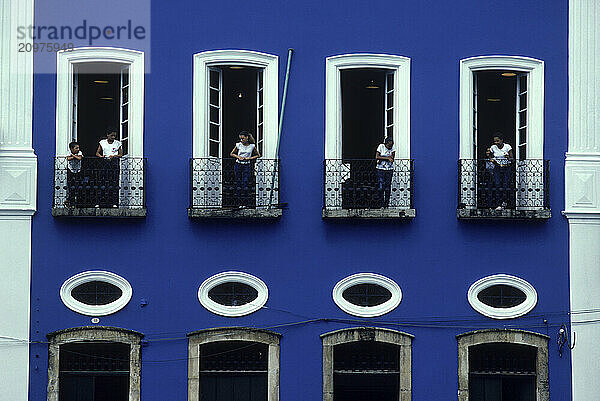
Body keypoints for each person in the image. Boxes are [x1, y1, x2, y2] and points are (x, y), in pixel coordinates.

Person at [230, 131, 260, 208]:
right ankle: (239, 203)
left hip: (247, 165)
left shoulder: (252, 146)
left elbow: (258, 155)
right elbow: (231, 153)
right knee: (238, 182)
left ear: (247, 138)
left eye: (243, 138)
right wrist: (238, 157)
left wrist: (249, 158)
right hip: (238, 165)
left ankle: (245, 203)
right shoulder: (238, 145)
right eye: (240, 138)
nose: (241, 140)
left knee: (245, 182)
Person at [95, 128, 123, 207]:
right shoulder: (102, 142)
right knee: (102, 181)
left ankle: (114, 202)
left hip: (114, 163)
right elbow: (97, 153)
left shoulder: (118, 143)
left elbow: (121, 154)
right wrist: (101, 156)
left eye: (114, 135)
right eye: (112, 135)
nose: (113, 137)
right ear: (107, 135)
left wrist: (114, 156)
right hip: (104, 163)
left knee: (113, 181)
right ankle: (99, 202)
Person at [489, 133, 514, 209]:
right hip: (497, 167)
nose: (496, 143)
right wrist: (492, 159)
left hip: (507, 168)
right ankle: (498, 203)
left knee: (505, 185)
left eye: (498, 141)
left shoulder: (507, 146)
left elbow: (512, 158)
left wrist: (508, 157)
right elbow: (490, 155)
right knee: (497, 184)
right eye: (495, 141)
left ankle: (505, 202)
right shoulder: (493, 147)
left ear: (502, 140)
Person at [375, 137, 395, 208]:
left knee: (387, 187)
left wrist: (384, 157)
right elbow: (377, 157)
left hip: (389, 169)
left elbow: (392, 158)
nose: (390, 147)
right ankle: (380, 204)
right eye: (389, 146)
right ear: (385, 144)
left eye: (391, 145)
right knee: (381, 186)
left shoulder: (393, 148)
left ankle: (386, 204)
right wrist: (387, 158)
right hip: (380, 169)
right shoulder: (381, 146)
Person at [65, 141, 83, 207]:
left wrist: (72, 156)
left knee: (78, 185)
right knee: (70, 185)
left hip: (78, 171)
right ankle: (69, 200)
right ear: (71, 149)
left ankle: (77, 201)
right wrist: (74, 156)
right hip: (70, 170)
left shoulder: (80, 152)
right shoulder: (68, 152)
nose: (78, 149)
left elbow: (79, 158)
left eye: (78, 148)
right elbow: (68, 158)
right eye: (76, 148)